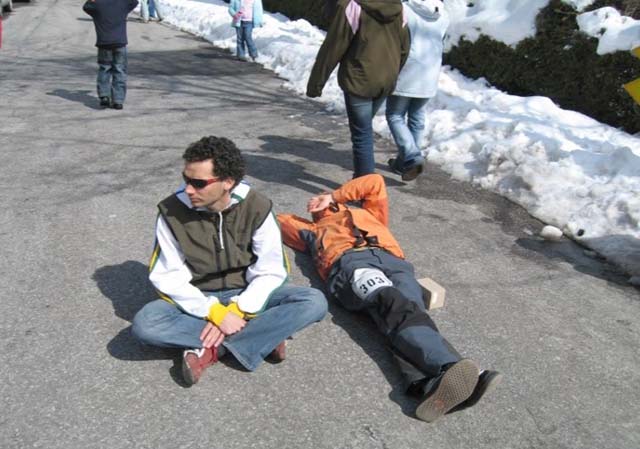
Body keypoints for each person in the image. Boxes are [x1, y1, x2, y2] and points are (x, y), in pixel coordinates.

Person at [277, 174, 501, 422]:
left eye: (326, 201)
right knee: (394, 304)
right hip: (352, 267)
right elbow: (274, 221)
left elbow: (374, 182)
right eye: (319, 203)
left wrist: (333, 195)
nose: (323, 205)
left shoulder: (371, 214)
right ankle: (448, 365)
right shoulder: (312, 231)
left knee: (409, 311)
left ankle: (426, 386)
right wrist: (314, 210)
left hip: (395, 263)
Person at [132, 136, 327, 386]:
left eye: (199, 183)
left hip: (247, 292)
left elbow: (271, 270)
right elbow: (167, 276)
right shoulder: (171, 212)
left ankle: (211, 349)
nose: (189, 189)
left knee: (313, 301)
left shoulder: (258, 206)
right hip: (198, 296)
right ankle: (264, 336)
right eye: (186, 179)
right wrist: (214, 313)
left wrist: (238, 310)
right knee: (146, 324)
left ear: (228, 182)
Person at [307, 0, 410, 178]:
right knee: (364, 129)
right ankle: (362, 180)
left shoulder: (352, 6)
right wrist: (393, 73)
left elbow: (333, 47)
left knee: (362, 135)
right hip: (385, 80)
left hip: (359, 79)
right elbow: (404, 48)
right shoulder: (399, 9)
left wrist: (316, 83)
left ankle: (365, 186)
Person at [386, 0, 449, 181]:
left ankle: (413, 156)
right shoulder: (444, 14)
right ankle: (404, 163)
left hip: (407, 70)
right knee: (417, 117)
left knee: (395, 115)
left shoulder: (404, 9)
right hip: (430, 72)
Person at [83, 0, 138, 110]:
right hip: (120, 42)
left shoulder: (97, 5)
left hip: (104, 43)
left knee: (104, 68)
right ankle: (118, 100)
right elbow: (134, 2)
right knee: (119, 70)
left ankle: (104, 96)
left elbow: (86, 7)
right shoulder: (123, 3)